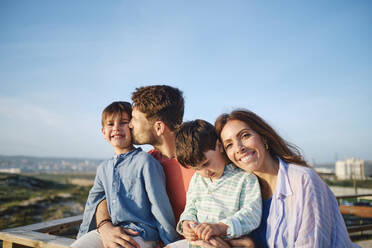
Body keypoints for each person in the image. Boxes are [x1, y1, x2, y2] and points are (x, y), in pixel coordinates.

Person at [212, 109, 358, 247]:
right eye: (229, 145)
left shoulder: (303, 180)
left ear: (264, 137)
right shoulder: (242, 191)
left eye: (245, 135)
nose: (238, 148)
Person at [91, 85, 195, 248]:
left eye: (133, 120)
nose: (130, 125)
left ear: (159, 127)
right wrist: (105, 225)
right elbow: (106, 197)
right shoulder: (148, 160)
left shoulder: (200, 163)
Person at [72, 101, 178, 248]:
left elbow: (159, 205)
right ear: (103, 132)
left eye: (123, 122)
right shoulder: (103, 168)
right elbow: (93, 203)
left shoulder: (145, 161)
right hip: (110, 230)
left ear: (131, 127)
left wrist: (169, 241)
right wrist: (82, 236)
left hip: (141, 233)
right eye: (110, 124)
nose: (116, 128)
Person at [167, 119, 261, 248]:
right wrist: (187, 222)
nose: (203, 172)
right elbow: (191, 206)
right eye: (196, 168)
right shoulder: (197, 179)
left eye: (206, 163)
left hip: (229, 241)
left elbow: (251, 215)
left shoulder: (245, 178)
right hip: (198, 242)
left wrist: (220, 227)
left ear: (219, 146)